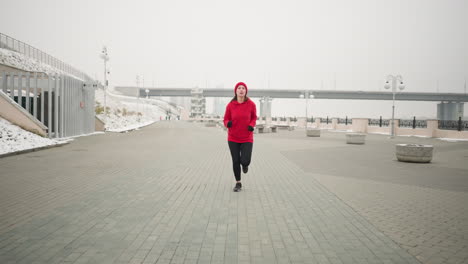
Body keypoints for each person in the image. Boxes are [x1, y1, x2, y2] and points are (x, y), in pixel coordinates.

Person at [224, 82, 257, 192]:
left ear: (246, 91)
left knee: (245, 160)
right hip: (233, 137)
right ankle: (238, 183)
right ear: (236, 91)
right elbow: (225, 119)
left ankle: (245, 165)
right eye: (239, 88)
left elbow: (254, 117)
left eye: (243, 88)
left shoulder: (251, 104)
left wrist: (251, 125)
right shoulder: (230, 105)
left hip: (247, 137)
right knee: (235, 160)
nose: (241, 90)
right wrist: (227, 123)